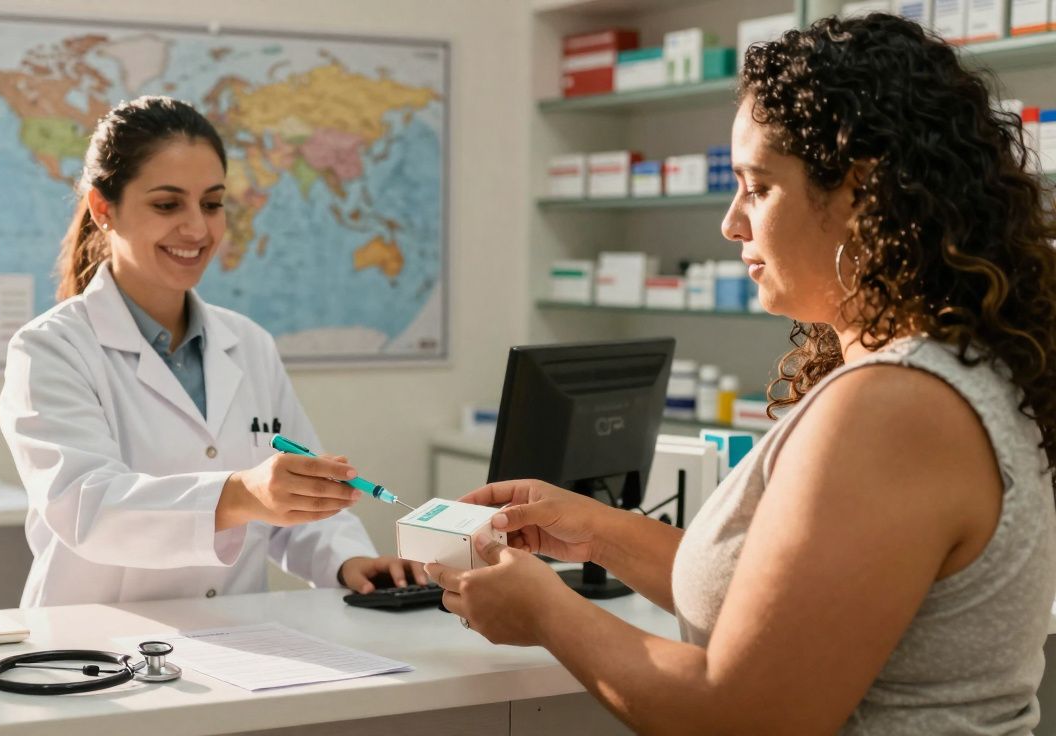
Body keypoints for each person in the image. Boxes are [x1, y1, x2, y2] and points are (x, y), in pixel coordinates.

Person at [427, 14, 1056, 734]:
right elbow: (783, 603)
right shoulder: (930, 375)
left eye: (758, 187)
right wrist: (598, 533)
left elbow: (746, 717)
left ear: (859, 193)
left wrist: (546, 612)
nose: (732, 223)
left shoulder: (897, 408)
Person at [0, 96, 422, 607]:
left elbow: (293, 506)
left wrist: (346, 560)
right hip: (96, 647)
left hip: (235, 642)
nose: (198, 229)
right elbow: (87, 508)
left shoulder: (248, 345)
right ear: (103, 208)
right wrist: (242, 494)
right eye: (167, 204)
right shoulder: (51, 349)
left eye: (213, 202)